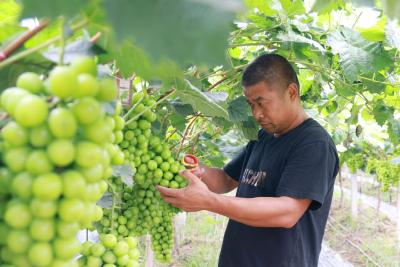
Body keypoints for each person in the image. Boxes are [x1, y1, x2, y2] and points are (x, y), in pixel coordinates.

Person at [157, 54, 339, 267]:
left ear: (291, 92)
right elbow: (226, 179)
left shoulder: (313, 144)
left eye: (261, 103)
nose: (256, 114)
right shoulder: (264, 137)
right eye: (251, 104)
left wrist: (208, 201)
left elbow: (287, 212)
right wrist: (194, 171)